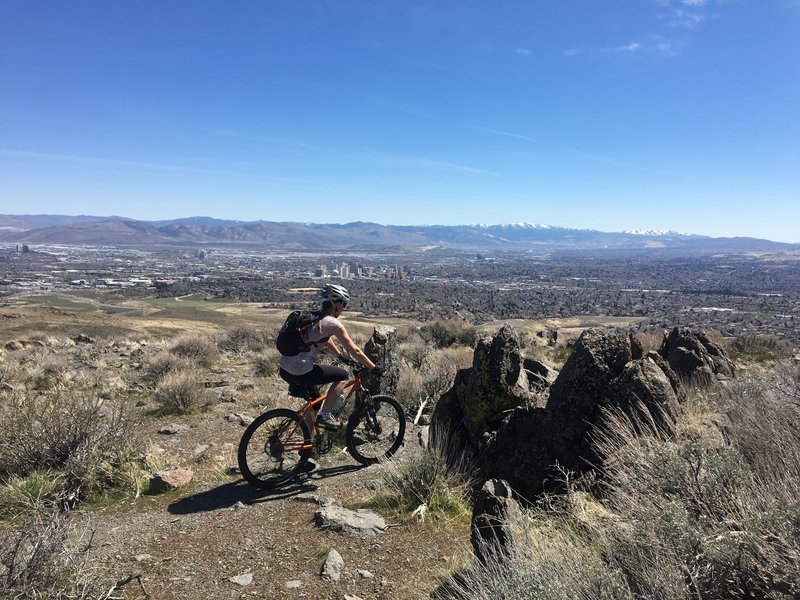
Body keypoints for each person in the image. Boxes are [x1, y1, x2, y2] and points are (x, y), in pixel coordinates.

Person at [278, 283, 376, 432]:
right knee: (343, 376)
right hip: (300, 370)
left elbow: (325, 338)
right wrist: (374, 367)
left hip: (285, 368)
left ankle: (308, 445)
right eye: (344, 304)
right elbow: (355, 350)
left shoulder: (315, 317)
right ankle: (324, 416)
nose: (344, 308)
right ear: (336, 303)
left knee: (314, 404)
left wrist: (339, 355)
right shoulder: (333, 323)